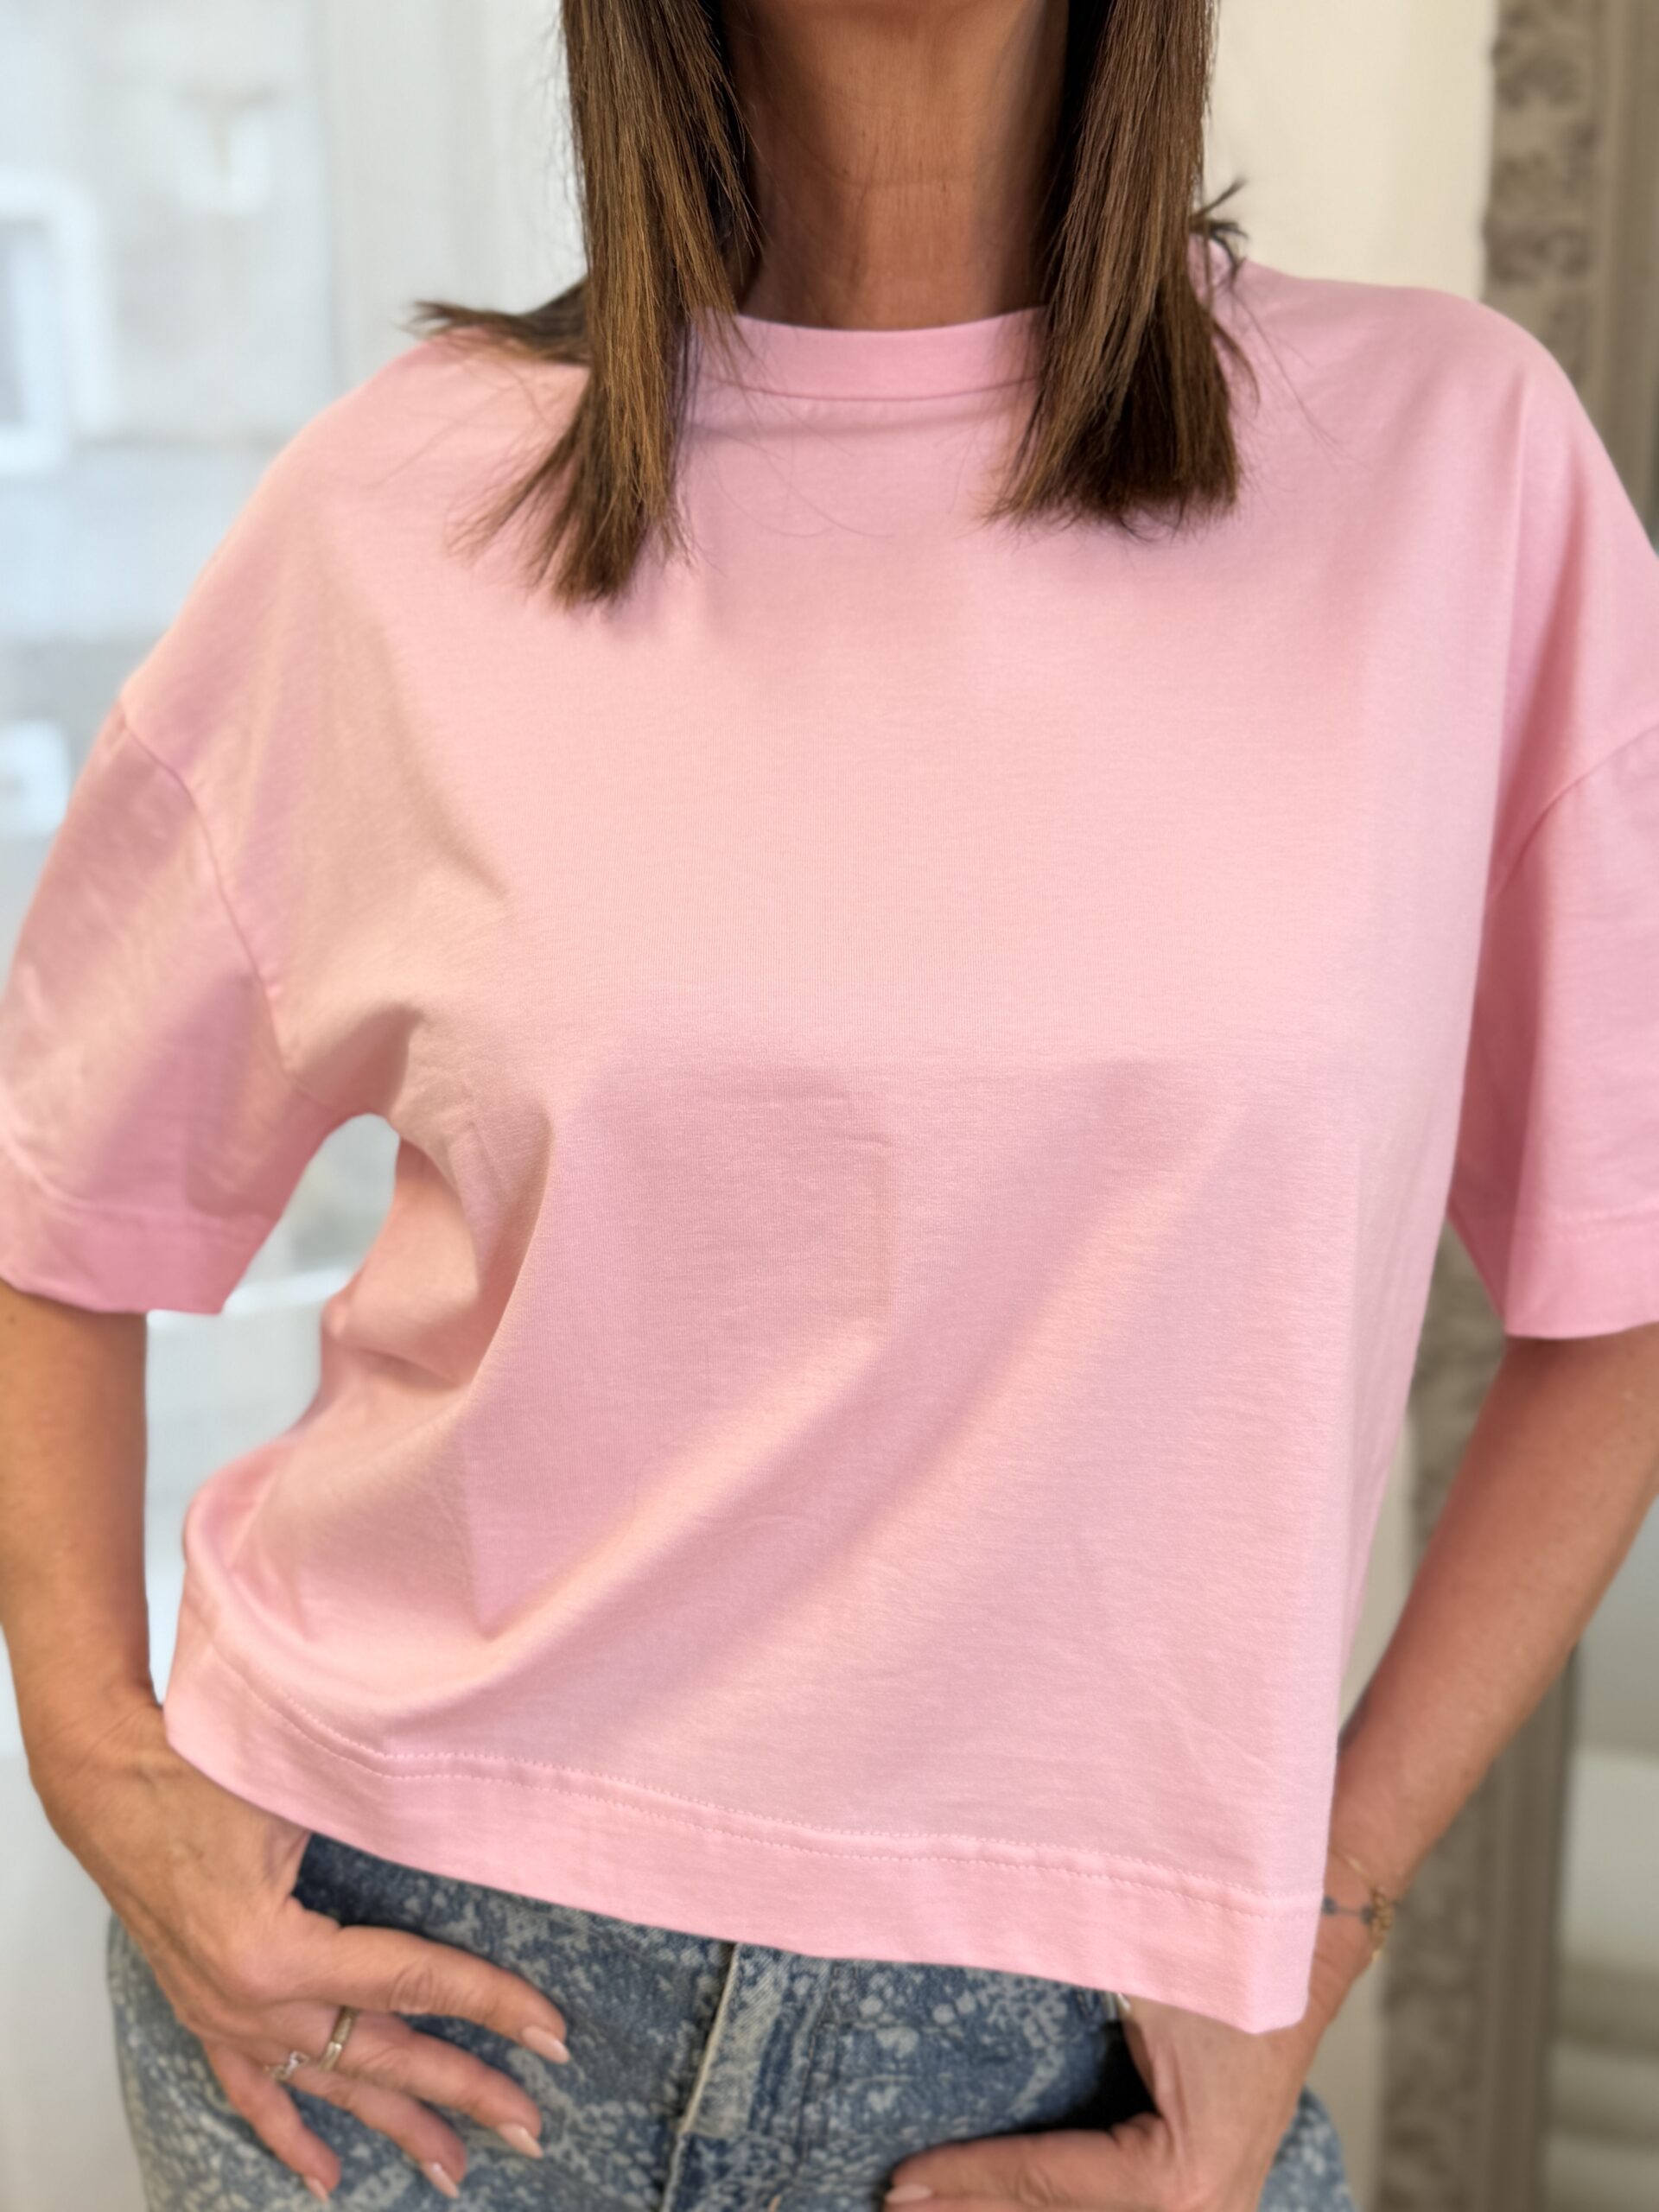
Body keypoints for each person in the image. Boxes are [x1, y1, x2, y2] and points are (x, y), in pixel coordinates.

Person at [3, 0, 1657, 2206]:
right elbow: (54, 1175)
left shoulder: (1461, 468)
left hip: (1064, 2067)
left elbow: (1626, 1282)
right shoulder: (399, 508)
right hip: (402, 2012)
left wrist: (1334, 1900)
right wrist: (93, 1746)